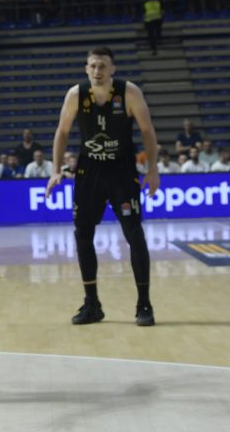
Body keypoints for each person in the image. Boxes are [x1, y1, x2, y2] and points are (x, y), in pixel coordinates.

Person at [46, 46, 159, 327]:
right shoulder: (76, 95)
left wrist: (153, 169)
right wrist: (55, 170)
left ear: (113, 69)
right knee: (83, 234)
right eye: (93, 66)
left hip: (121, 169)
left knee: (135, 233)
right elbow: (61, 132)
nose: (98, 71)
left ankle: (144, 304)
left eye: (103, 66)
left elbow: (147, 131)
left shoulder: (129, 92)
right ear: (87, 68)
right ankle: (92, 304)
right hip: (89, 170)